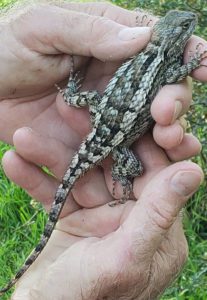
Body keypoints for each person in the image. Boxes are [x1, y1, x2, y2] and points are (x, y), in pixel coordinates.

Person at [0, 2, 206, 299]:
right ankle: (122, 174)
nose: (190, 26)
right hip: (114, 140)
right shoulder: (168, 65)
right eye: (185, 28)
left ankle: (72, 95)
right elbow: (182, 71)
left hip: (101, 119)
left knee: (94, 101)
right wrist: (194, 62)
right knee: (136, 170)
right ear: (173, 37)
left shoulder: (151, 54)